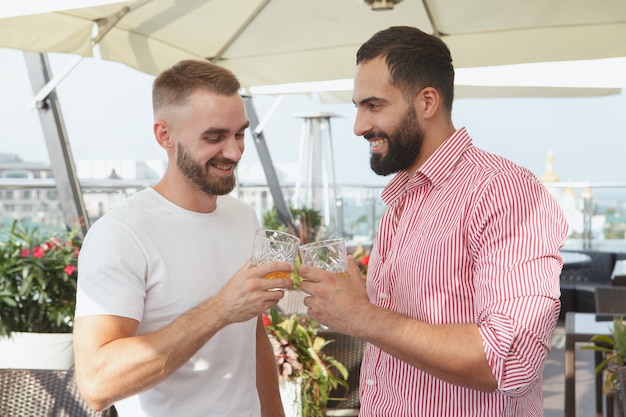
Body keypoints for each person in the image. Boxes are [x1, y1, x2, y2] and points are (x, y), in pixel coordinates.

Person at [298, 26, 569, 417]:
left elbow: (510, 358)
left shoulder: (503, 192)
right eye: (357, 106)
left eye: (373, 106)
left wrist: (362, 315)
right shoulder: (402, 197)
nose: (358, 126)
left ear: (427, 102)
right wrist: (359, 302)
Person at [73, 59, 294, 417]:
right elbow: (97, 385)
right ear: (165, 136)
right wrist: (220, 309)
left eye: (239, 133)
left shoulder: (243, 216)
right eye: (215, 136)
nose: (235, 152)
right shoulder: (121, 234)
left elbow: (252, 338)